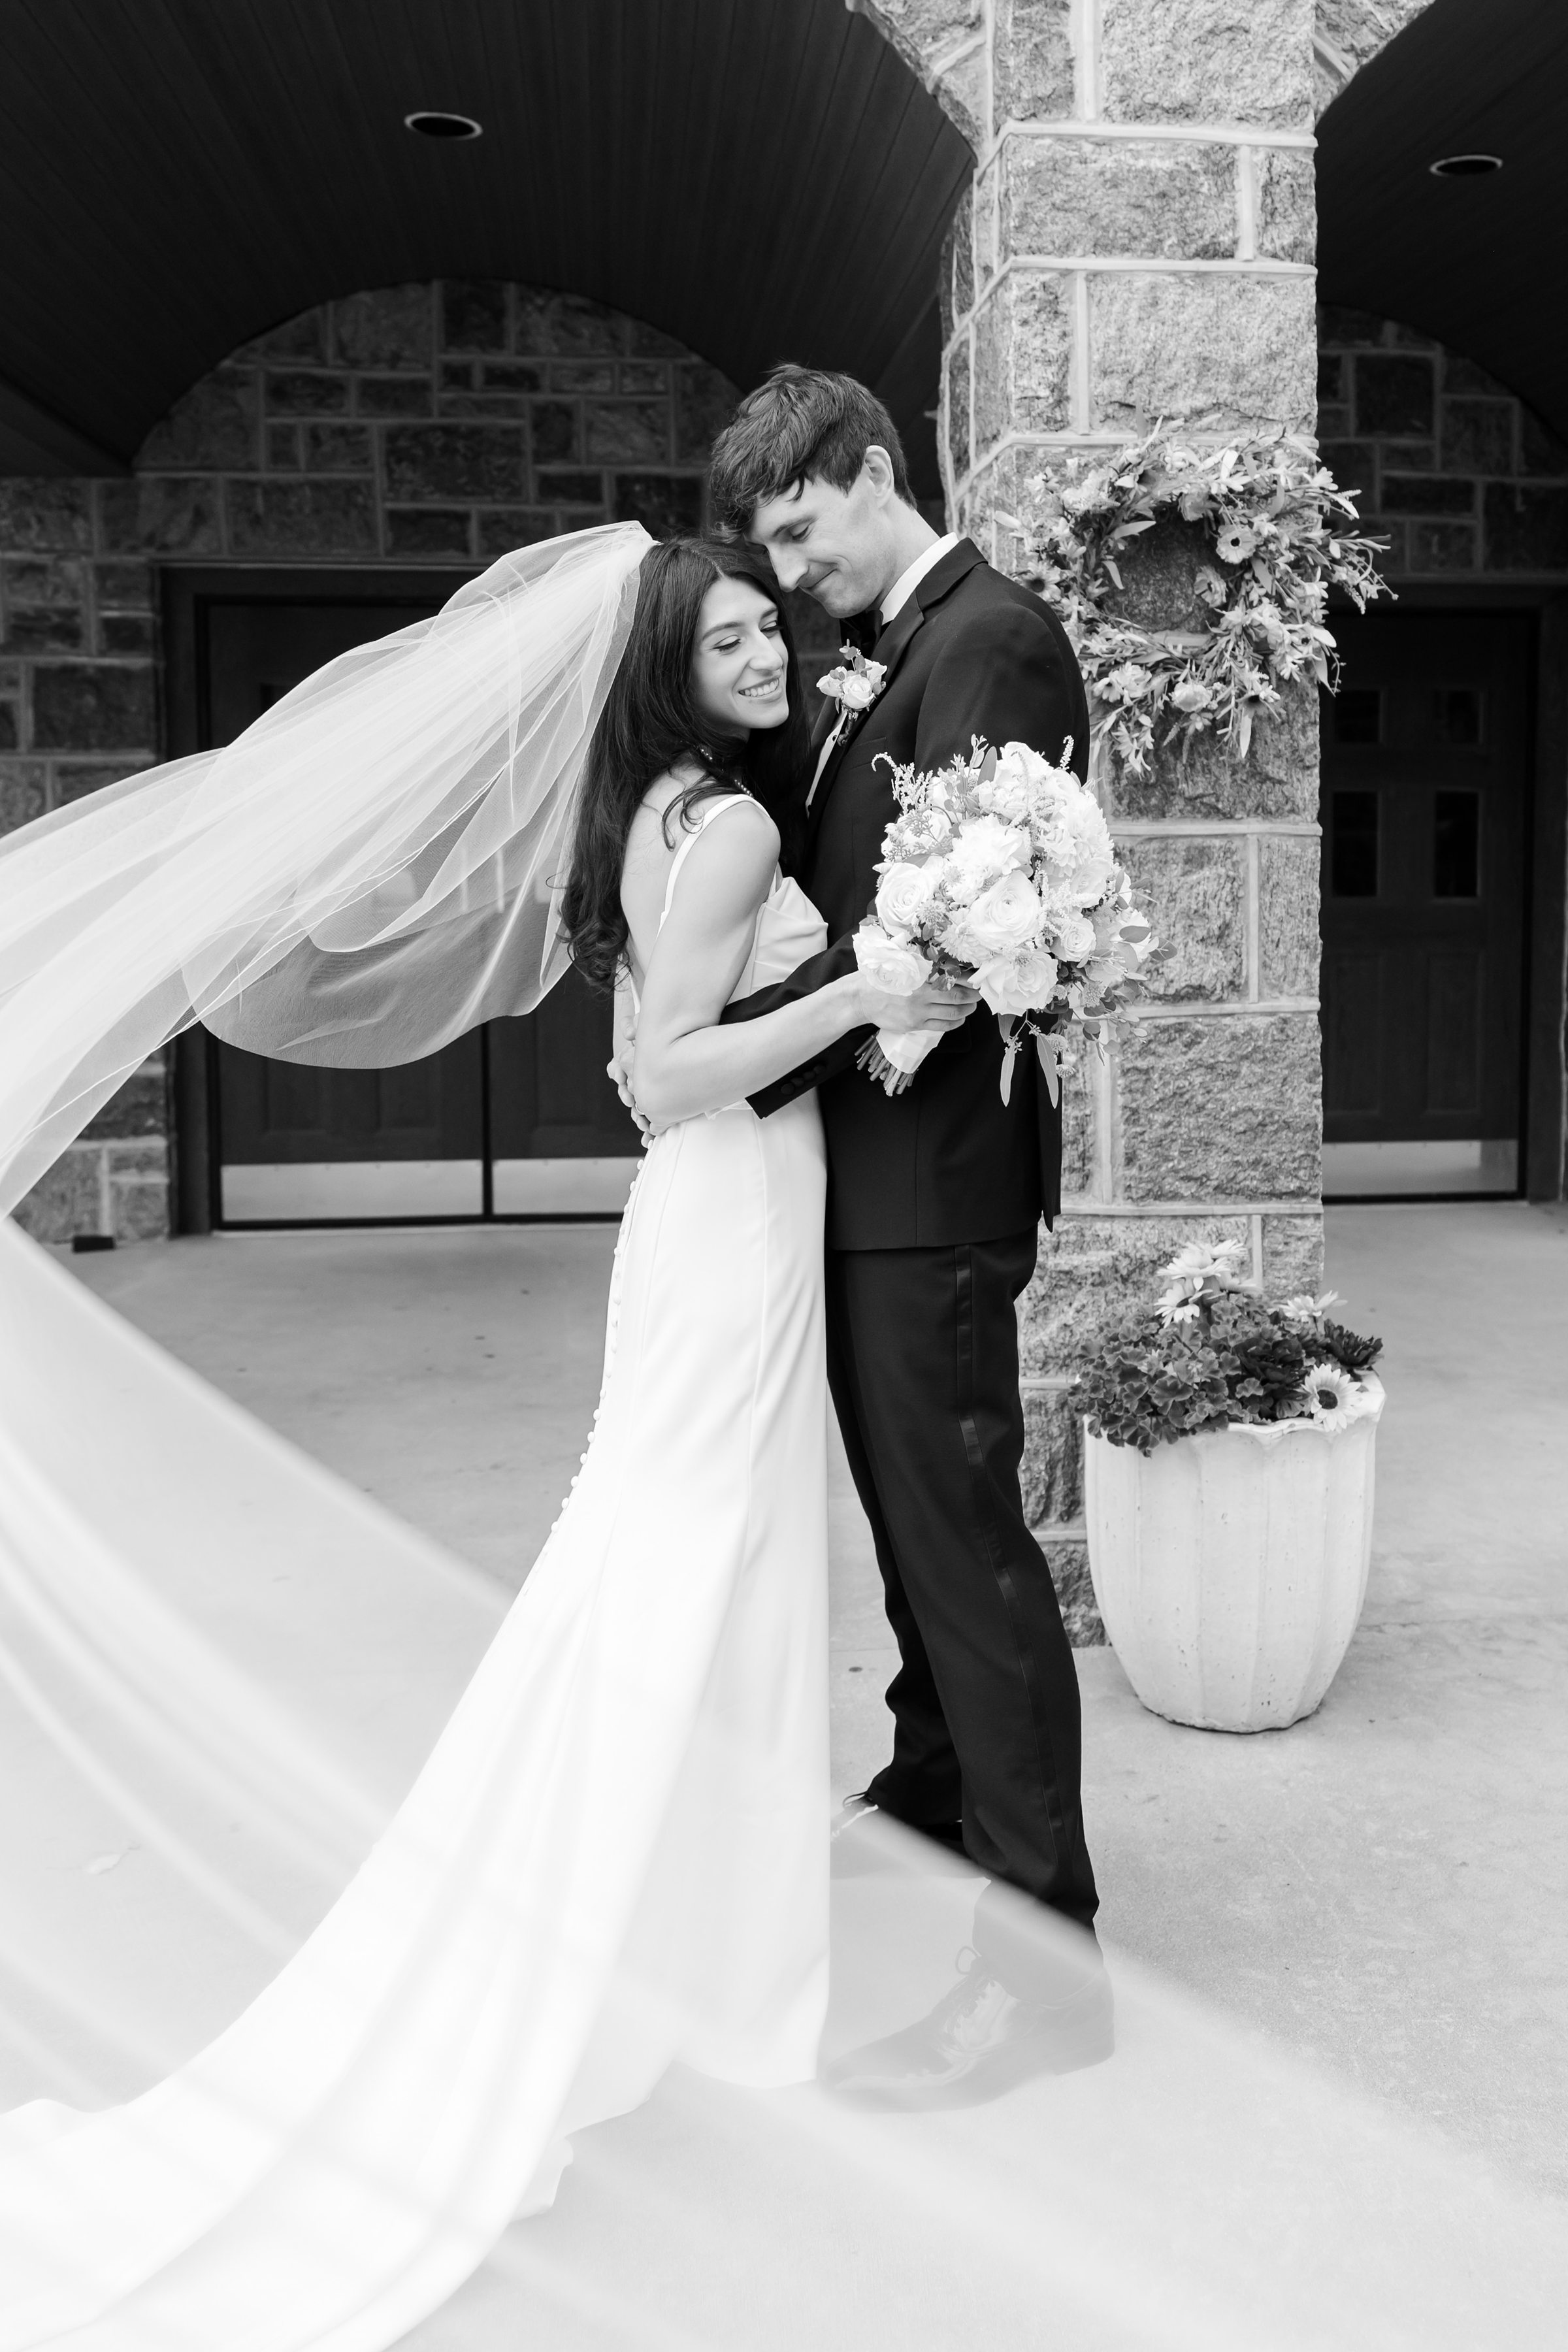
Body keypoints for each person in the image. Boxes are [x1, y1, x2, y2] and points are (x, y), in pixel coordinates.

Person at [0, 530, 973, 2345]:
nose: (768, 651)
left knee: (701, 1577)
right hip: (728, 1210)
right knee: (684, 1584)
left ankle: (700, 1967)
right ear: (669, 670)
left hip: (714, 1225)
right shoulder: (736, 826)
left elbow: (636, 1061)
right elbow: (672, 1072)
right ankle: (656, 1974)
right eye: (732, 637)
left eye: (777, 625)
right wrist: (869, 992)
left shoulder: (670, 808)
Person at [702, 367, 1107, 2104]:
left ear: (875, 474)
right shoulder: (897, 645)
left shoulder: (990, 639)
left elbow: (938, 934)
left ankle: (1044, 1963)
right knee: (908, 1523)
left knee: (965, 1548)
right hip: (879, 1181)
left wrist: (723, 1049)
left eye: (803, 531)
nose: (793, 580)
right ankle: (934, 1783)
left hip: (931, 1180)